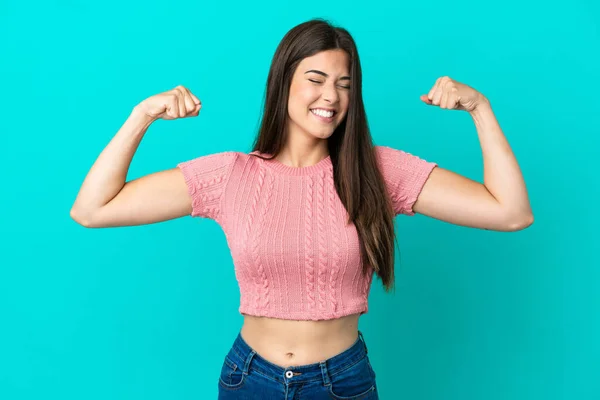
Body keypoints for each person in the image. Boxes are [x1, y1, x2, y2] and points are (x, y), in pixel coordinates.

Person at [70, 18, 533, 400]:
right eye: (316, 79)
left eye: (344, 85)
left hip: (341, 382)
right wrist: (142, 115)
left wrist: (480, 108)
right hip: (248, 379)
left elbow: (510, 212)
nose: (331, 96)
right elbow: (92, 208)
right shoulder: (230, 175)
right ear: (283, 81)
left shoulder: (378, 171)